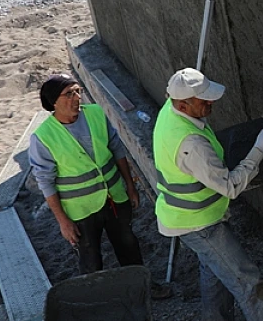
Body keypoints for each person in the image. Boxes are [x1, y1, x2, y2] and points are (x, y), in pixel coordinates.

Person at [153, 68, 263, 321]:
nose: (211, 102)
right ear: (183, 104)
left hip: (183, 215)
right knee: (248, 283)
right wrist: (259, 149)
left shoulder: (170, 112)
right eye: (204, 100)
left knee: (214, 275)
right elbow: (230, 187)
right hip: (198, 223)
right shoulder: (191, 144)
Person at [29, 73, 171, 300]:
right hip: (81, 210)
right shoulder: (43, 138)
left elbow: (117, 149)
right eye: (69, 94)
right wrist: (63, 222)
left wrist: (130, 186)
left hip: (114, 198)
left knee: (128, 246)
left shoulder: (95, 113)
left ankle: (143, 288)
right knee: (90, 258)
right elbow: (45, 182)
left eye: (78, 91)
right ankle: (94, 303)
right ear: (53, 102)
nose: (76, 97)